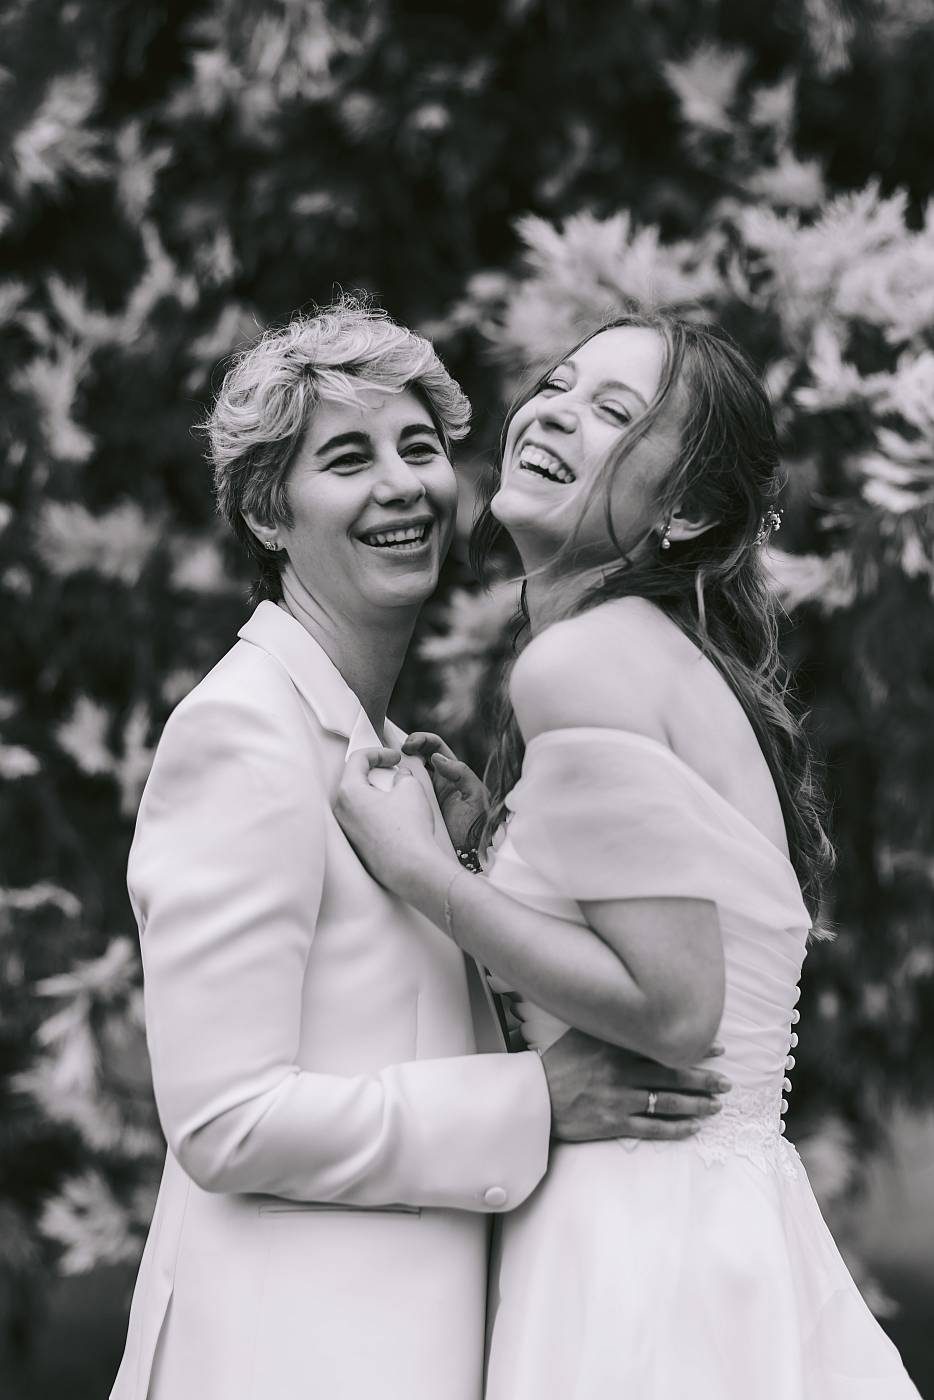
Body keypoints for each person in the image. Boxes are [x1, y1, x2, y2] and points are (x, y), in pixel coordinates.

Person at [109, 299, 727, 1400]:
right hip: (283, 1356)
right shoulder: (243, 730)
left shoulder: (384, 756)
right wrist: (532, 1099)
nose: (403, 485)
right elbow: (224, 1117)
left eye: (422, 448)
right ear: (267, 511)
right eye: (347, 458)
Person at [334, 312, 923, 1398]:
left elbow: (673, 1005)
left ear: (687, 511)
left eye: (616, 413)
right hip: (721, 1217)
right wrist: (497, 842)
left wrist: (426, 874)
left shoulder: (581, 662)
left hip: (642, 1245)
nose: (557, 410)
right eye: (559, 385)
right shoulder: (647, 655)